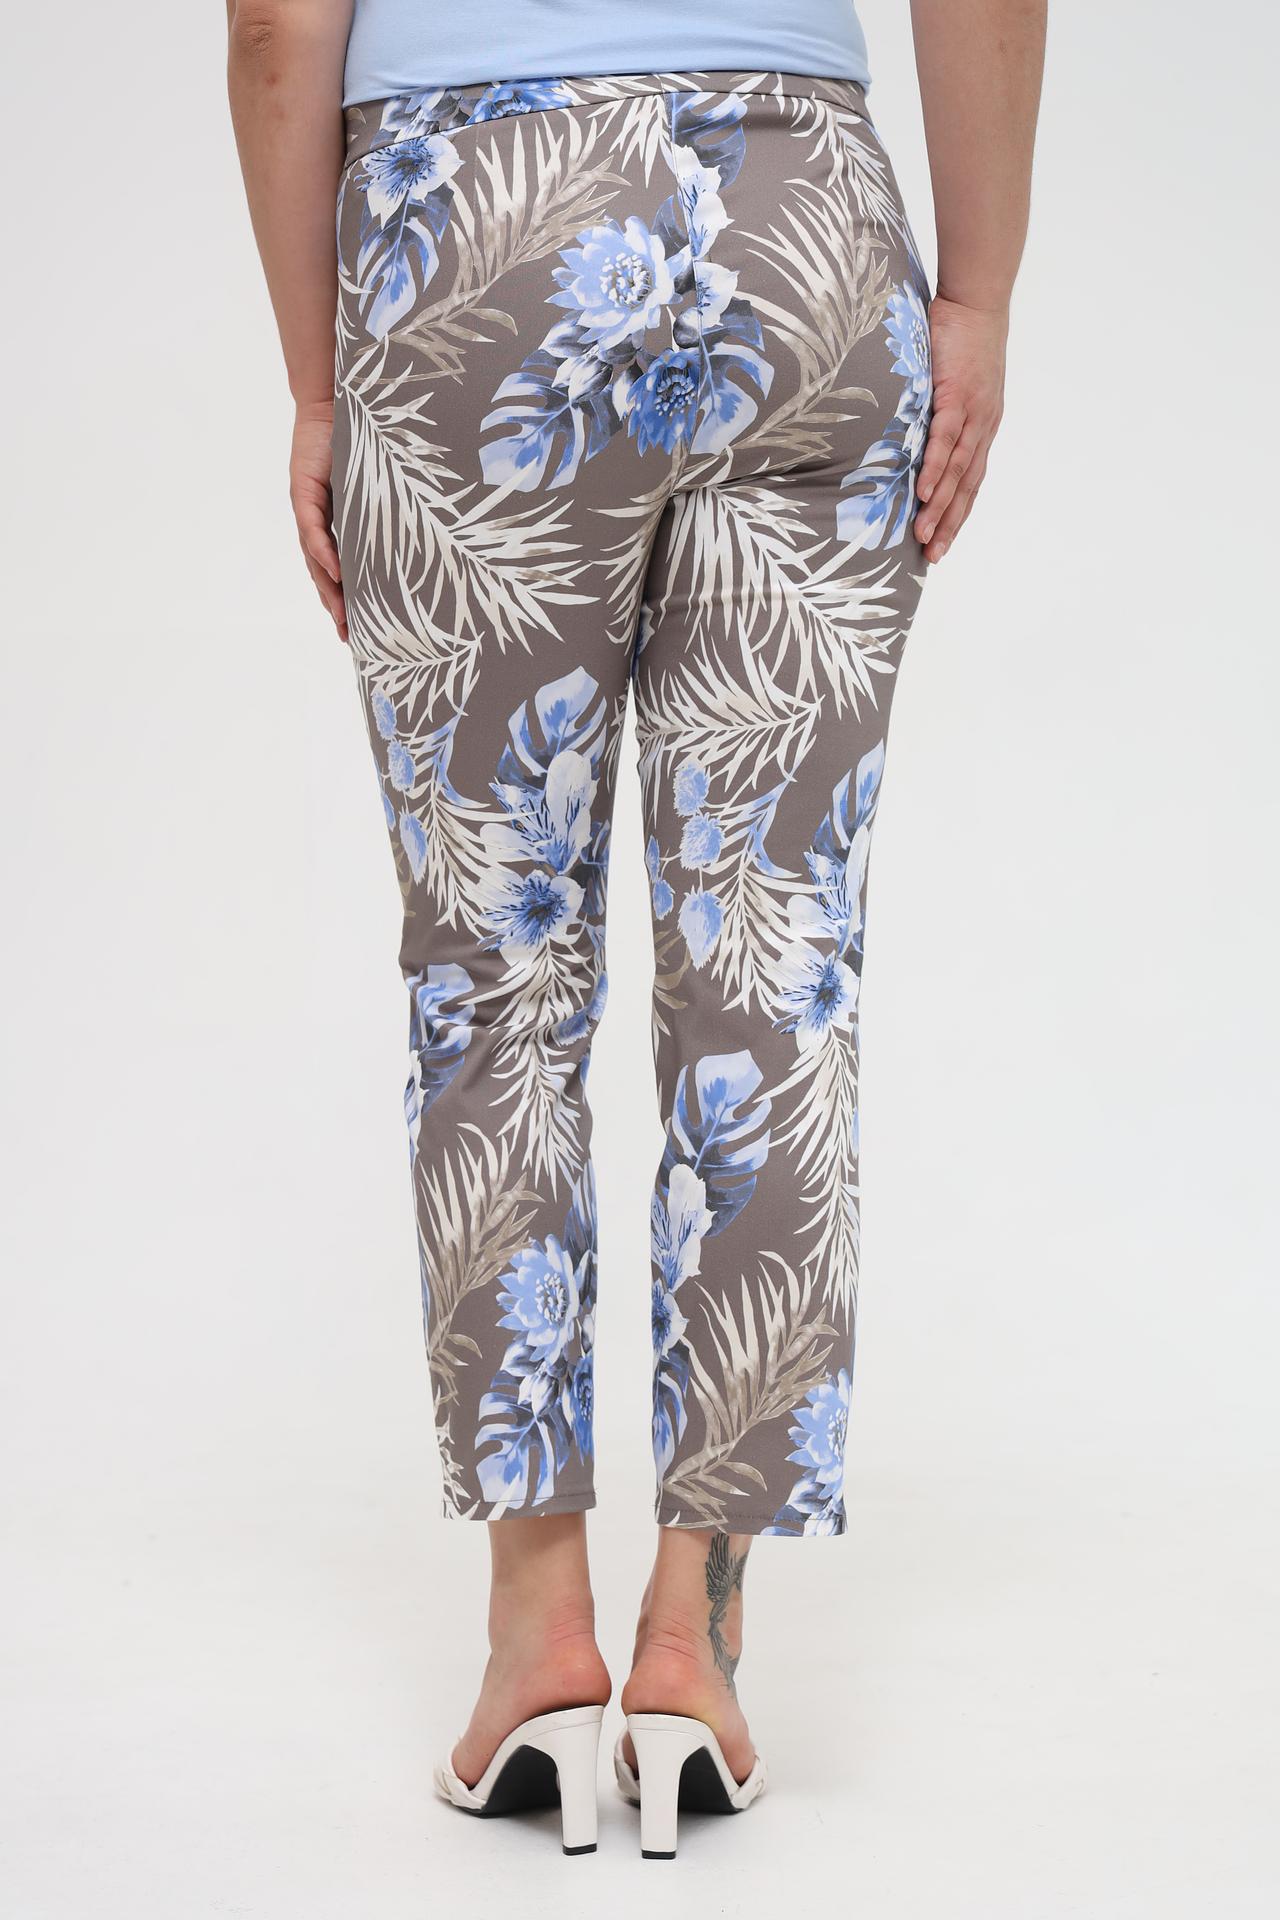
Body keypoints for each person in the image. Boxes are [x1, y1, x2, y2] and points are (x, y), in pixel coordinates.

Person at [228, 0, 1045, 1858]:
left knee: (492, 967)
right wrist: (978, 298)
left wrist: (317, 385)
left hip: (473, 231)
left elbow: (279, 28)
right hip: (802, 225)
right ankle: (697, 1648)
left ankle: (539, 1641)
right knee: (773, 954)